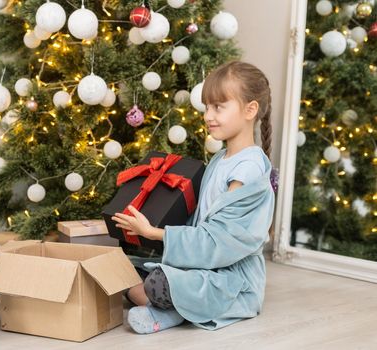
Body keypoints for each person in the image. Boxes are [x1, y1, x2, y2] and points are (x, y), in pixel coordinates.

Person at [112, 61, 276, 333]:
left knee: (157, 283)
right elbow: (199, 218)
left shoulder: (249, 170)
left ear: (250, 110)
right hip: (203, 264)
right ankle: (172, 306)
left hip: (232, 278)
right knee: (121, 269)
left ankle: (170, 312)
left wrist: (155, 233)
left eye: (218, 107)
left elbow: (219, 242)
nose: (208, 115)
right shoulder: (220, 159)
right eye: (207, 107)